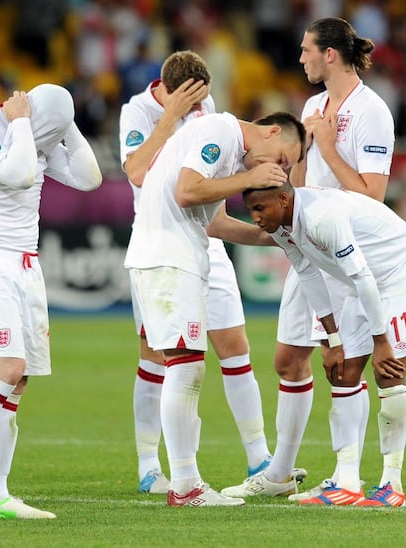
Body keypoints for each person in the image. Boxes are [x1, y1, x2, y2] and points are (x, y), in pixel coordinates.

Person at [221, 17, 395, 501]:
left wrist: (328, 145)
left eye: (306, 50)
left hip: (343, 248)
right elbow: (298, 181)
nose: (300, 58)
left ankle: (347, 477)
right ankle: (279, 474)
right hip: (307, 246)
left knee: (341, 363)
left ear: (330, 55)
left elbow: (373, 196)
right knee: (286, 359)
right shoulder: (314, 105)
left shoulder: (372, 112)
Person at [124, 110, 306, 507]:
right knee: (185, 368)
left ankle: (187, 482)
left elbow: (215, 223)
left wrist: (278, 240)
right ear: (272, 132)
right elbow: (186, 191)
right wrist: (250, 179)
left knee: (187, 366)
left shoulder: (226, 147)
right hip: (169, 257)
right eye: (282, 160)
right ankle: (185, 485)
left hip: (174, 255)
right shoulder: (220, 130)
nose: (277, 171)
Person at [119, 50, 275, 494]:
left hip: (205, 239)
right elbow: (135, 173)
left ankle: (258, 457)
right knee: (159, 357)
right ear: (168, 91)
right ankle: (151, 465)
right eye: (190, 100)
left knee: (234, 345)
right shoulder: (140, 111)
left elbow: (213, 202)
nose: (198, 108)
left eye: (202, 101)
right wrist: (168, 119)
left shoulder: (208, 113)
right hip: (161, 245)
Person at [0, 84, 102, 519]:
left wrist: (66, 128)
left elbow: (90, 179)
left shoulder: (37, 136)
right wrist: (19, 124)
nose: (49, 146)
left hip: (25, 266)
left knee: (19, 380)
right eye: (49, 134)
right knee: (6, 367)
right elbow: (18, 175)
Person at [242, 182, 406, 507]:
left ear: (283, 198)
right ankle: (346, 482)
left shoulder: (322, 217)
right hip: (362, 280)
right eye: (251, 210)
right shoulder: (282, 226)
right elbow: (308, 274)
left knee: (389, 372)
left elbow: (361, 276)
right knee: (343, 371)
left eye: (259, 208)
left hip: (403, 272)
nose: (255, 218)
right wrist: (333, 338)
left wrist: (381, 342)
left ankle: (392, 484)